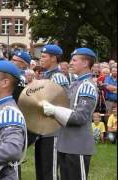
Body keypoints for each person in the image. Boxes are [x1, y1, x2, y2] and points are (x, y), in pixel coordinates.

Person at [41, 48, 98, 180]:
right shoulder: (76, 84)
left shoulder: (86, 86)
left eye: (74, 60)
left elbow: (80, 118)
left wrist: (55, 111)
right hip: (65, 144)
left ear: (85, 63)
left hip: (78, 146)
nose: (70, 63)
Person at [34, 44, 70, 180]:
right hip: (43, 129)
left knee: (51, 172)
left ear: (54, 58)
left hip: (53, 130)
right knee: (41, 170)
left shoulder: (58, 77)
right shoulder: (45, 75)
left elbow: (65, 103)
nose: (40, 59)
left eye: (44, 56)